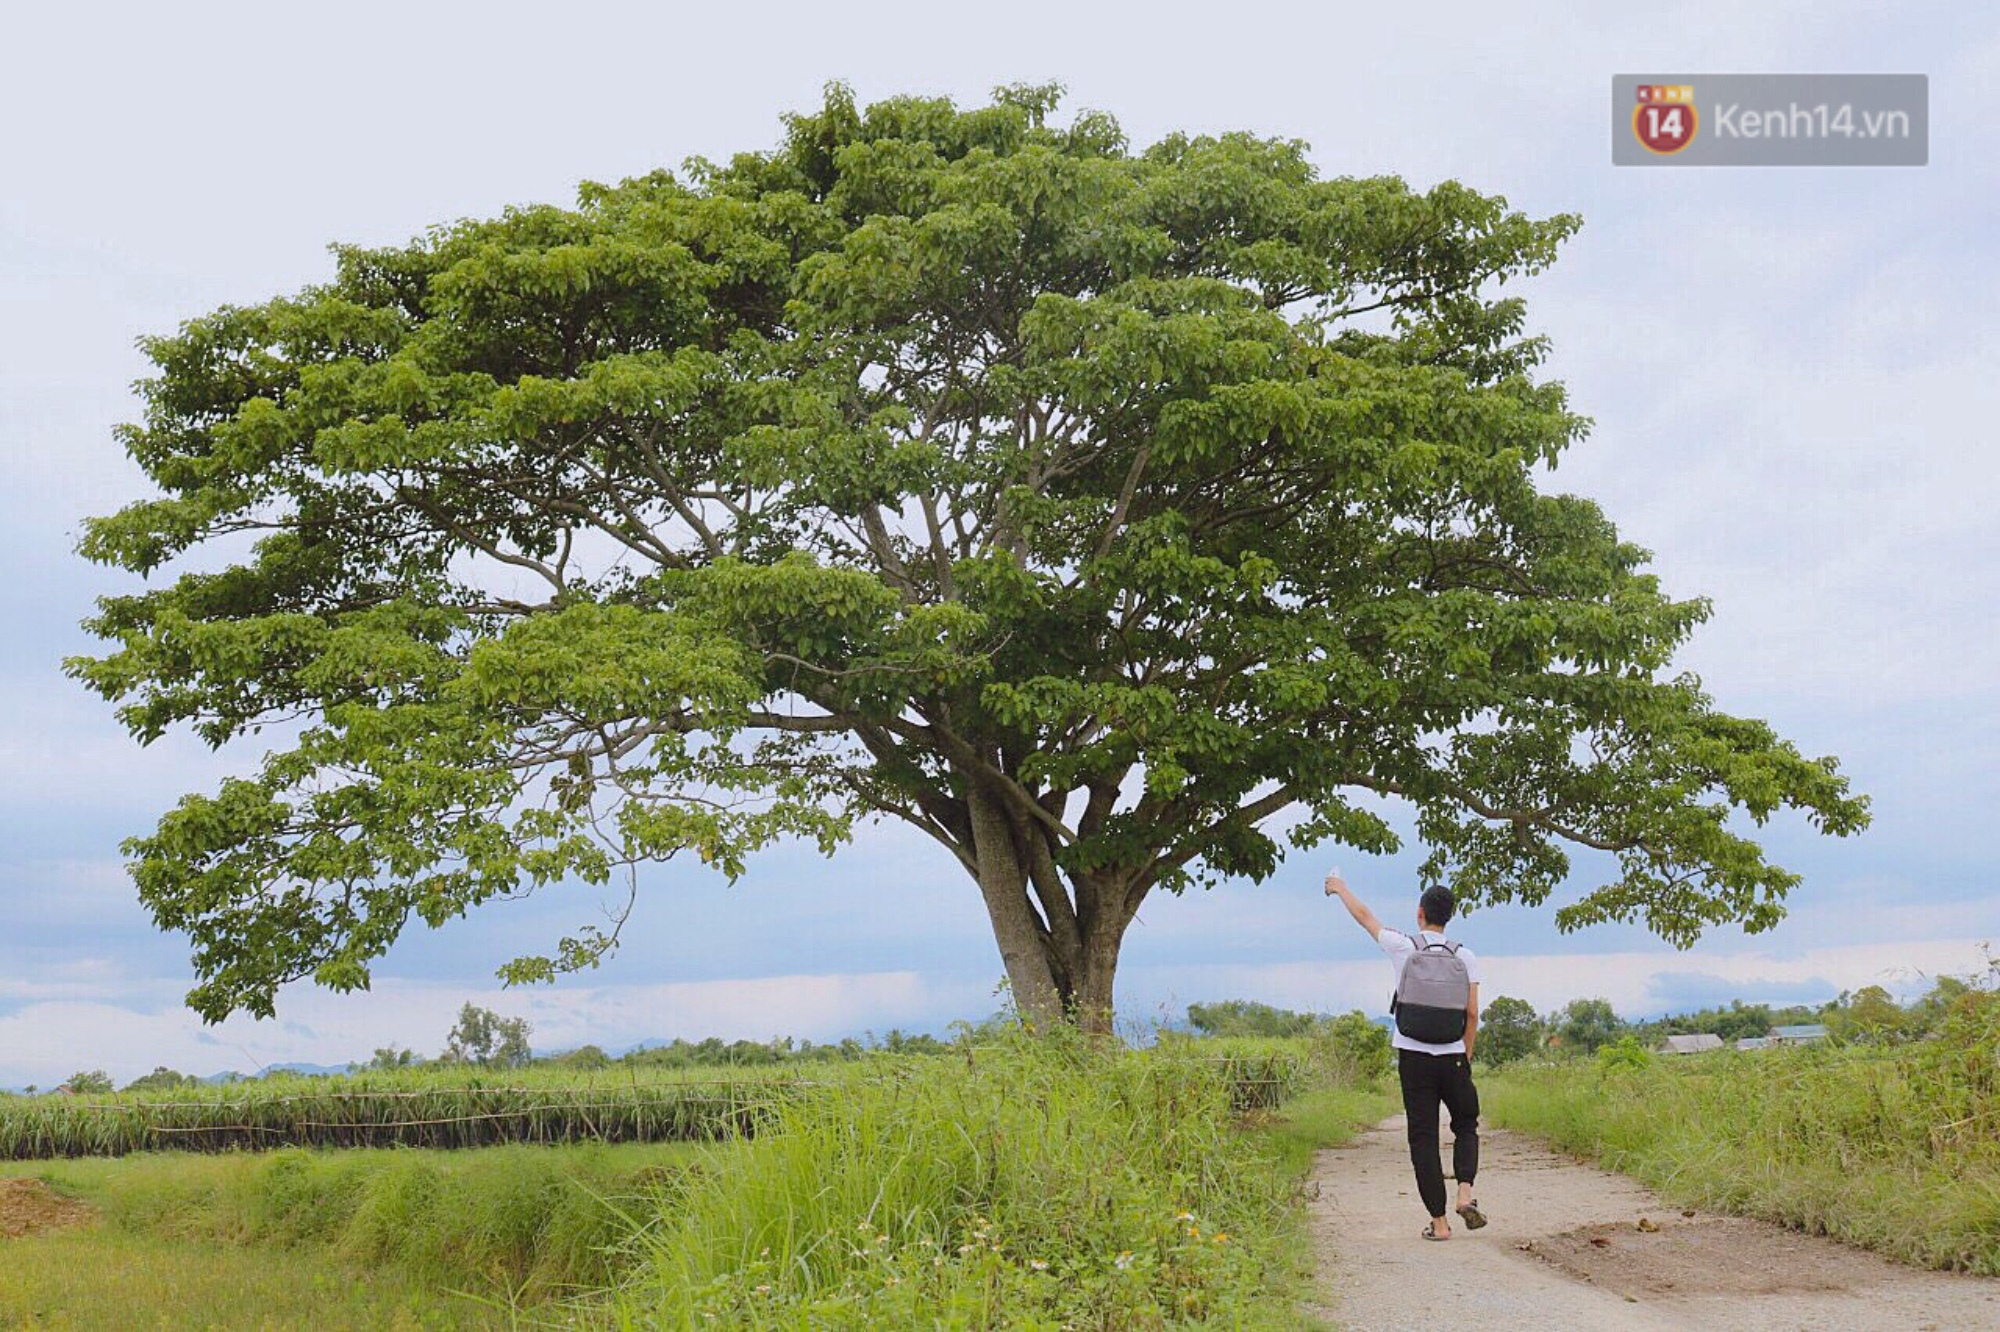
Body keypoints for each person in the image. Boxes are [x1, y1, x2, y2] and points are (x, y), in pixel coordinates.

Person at [1325, 869, 1487, 1241]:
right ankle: (1465, 1192)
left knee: (1423, 1137)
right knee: (1465, 1123)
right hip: (1453, 1055)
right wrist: (1465, 1055)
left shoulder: (1404, 946)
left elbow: (1365, 917)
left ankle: (1440, 1223)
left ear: (1420, 912)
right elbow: (1473, 1013)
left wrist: (1341, 888)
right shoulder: (1467, 956)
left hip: (1412, 1056)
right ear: (1450, 916)